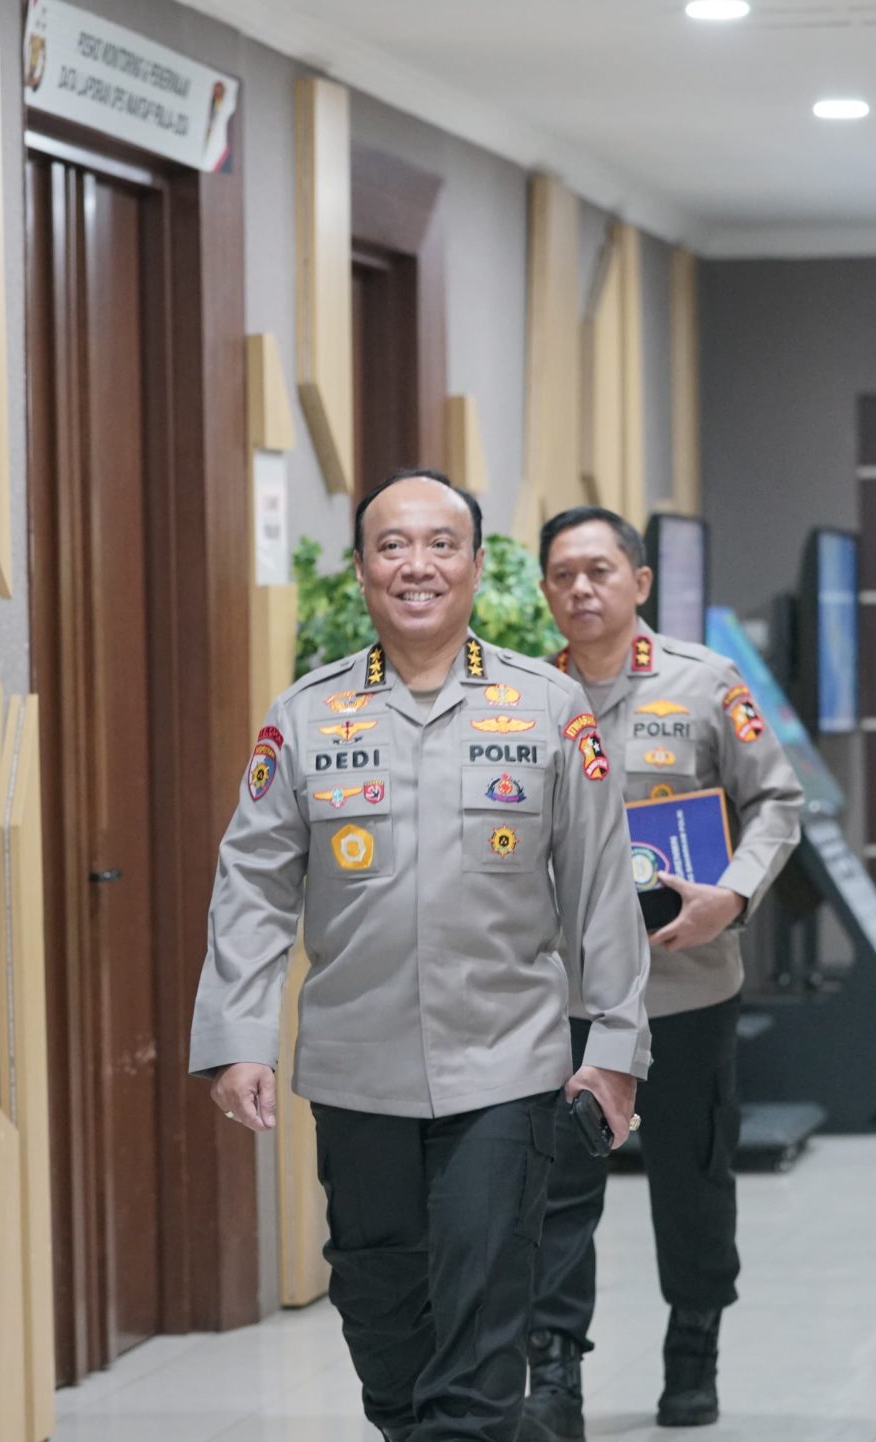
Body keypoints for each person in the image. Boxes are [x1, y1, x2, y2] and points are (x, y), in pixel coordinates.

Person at [190, 470, 652, 1442]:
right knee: (381, 1312)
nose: (417, 565)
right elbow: (254, 884)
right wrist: (238, 1037)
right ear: (361, 569)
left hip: (506, 1066)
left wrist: (614, 1049)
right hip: (356, 1068)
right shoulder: (305, 715)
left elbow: (601, 889)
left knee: (483, 1319)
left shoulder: (548, 705)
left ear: (477, 567)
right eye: (392, 546)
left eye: (442, 544)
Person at [522, 505, 804, 1435]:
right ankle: (555, 1374)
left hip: (686, 986)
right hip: (565, 994)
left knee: (693, 1180)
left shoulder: (706, 683)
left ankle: (693, 1349)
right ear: (545, 589)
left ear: (640, 582)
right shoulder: (526, 697)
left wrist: (735, 895)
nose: (581, 589)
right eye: (563, 574)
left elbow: (776, 803)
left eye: (599, 570)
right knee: (556, 1190)